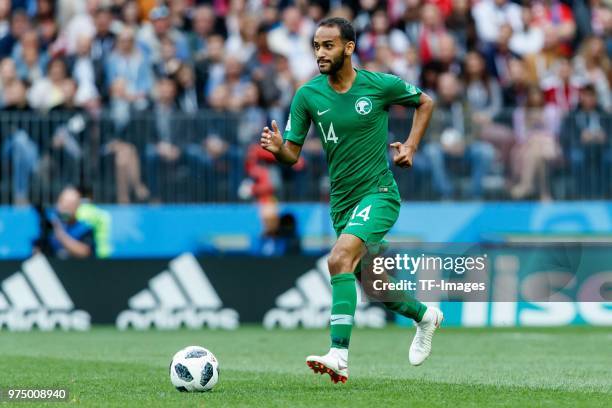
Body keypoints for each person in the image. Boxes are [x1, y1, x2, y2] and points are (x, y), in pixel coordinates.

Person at [260, 17, 441, 384]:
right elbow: (293, 155)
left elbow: (425, 102)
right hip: (342, 204)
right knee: (376, 287)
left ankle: (338, 355)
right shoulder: (307, 95)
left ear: (348, 48)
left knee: (338, 258)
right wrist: (280, 150)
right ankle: (425, 316)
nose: (320, 53)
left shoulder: (379, 85)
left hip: (379, 193)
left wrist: (410, 146)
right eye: (315, 46)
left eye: (328, 45)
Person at [33, 186, 95, 259]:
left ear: (78, 206)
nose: (66, 207)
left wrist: (60, 234)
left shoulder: (84, 228)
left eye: (71, 204)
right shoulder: (48, 225)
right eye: (64, 203)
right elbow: (37, 251)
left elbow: (85, 252)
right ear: (58, 204)